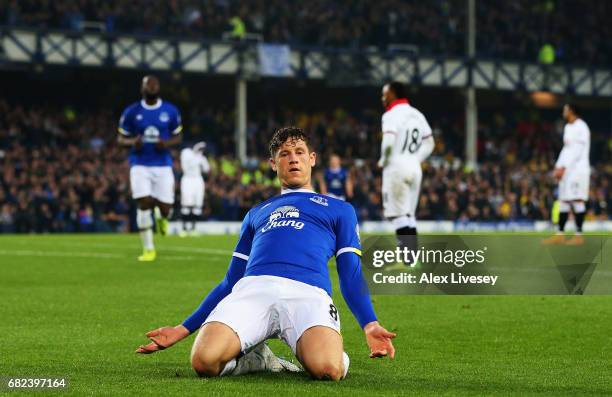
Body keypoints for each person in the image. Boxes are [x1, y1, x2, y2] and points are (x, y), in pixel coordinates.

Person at [136, 127, 396, 380]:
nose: (293, 158)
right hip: (253, 290)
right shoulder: (256, 213)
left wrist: (370, 324)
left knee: (328, 370)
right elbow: (230, 281)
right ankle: (255, 359)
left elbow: (350, 273)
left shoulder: (340, 209)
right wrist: (182, 329)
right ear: (273, 163)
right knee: (204, 361)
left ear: (312, 158)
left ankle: (333, 352)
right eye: (284, 154)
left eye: (299, 152)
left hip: (307, 293)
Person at [118, 75, 183, 261]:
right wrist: (132, 142)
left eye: (154, 84)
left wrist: (167, 143)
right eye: (148, 85)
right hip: (139, 163)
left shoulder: (170, 111)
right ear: (142, 88)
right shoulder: (132, 112)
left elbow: (178, 137)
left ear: (159, 88)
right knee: (143, 202)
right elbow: (120, 138)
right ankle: (148, 249)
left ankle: (162, 217)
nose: (152, 87)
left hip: (163, 164)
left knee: (165, 207)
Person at [378, 82, 434, 268]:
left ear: (393, 93)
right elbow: (430, 143)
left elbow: (388, 142)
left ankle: (406, 260)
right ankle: (412, 260)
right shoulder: (417, 114)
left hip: (396, 167)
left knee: (398, 214)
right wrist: (414, 159)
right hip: (414, 167)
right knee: (409, 213)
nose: (383, 98)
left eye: (385, 94)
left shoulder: (391, 115)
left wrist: (384, 160)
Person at [543, 103, 590, 245]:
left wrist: (563, 168)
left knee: (577, 200)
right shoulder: (568, 127)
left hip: (578, 170)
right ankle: (560, 234)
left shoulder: (581, 127)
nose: (563, 112)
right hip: (567, 170)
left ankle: (578, 235)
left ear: (572, 111)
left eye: (565, 109)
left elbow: (577, 150)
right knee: (563, 200)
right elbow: (566, 149)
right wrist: (558, 166)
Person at [180, 142, 210, 236]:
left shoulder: (201, 157)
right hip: (187, 179)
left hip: (198, 179)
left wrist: (201, 158)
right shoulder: (186, 152)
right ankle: (184, 229)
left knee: (197, 205)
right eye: (199, 148)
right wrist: (198, 156)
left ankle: (193, 228)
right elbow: (187, 164)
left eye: (202, 149)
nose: (200, 150)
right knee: (186, 204)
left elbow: (206, 169)